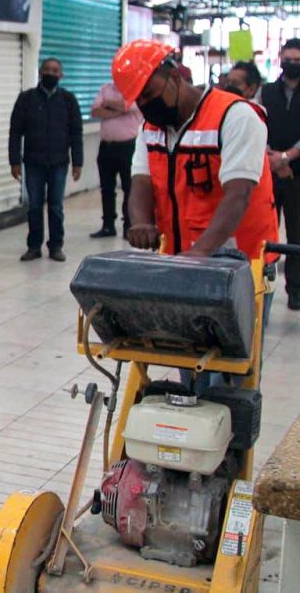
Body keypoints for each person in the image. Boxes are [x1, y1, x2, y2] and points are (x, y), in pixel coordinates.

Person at [116, 40, 279, 390]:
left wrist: (203, 250)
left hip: (241, 265)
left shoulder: (235, 116)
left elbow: (239, 194)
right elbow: (141, 182)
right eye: (139, 100)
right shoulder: (152, 129)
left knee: (231, 375)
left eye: (149, 93)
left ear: (173, 75)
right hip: (183, 265)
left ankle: (230, 442)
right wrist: (141, 222)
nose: (147, 106)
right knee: (188, 366)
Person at [8, 58, 83, 262]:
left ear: (61, 75)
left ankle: (56, 246)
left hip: (59, 162)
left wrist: (78, 162)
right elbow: (15, 132)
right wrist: (14, 161)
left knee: (56, 206)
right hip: (33, 162)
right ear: (40, 72)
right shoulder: (26, 99)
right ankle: (34, 246)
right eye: (47, 70)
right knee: (34, 206)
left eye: (55, 70)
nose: (51, 73)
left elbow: (76, 133)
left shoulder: (68, 100)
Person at [258, 39, 300, 310]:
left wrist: (287, 158)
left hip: (297, 173)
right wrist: (271, 157)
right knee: (263, 231)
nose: (292, 64)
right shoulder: (267, 91)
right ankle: (261, 285)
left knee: (297, 233)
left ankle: (295, 290)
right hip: (268, 170)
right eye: (289, 59)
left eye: (297, 60)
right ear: (280, 58)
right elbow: (257, 122)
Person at [89, 79, 141, 239]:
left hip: (128, 147)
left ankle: (128, 226)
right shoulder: (105, 87)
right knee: (106, 189)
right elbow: (95, 111)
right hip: (106, 147)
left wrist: (109, 104)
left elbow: (131, 106)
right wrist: (121, 108)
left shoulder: (136, 89)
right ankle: (108, 226)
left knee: (129, 188)